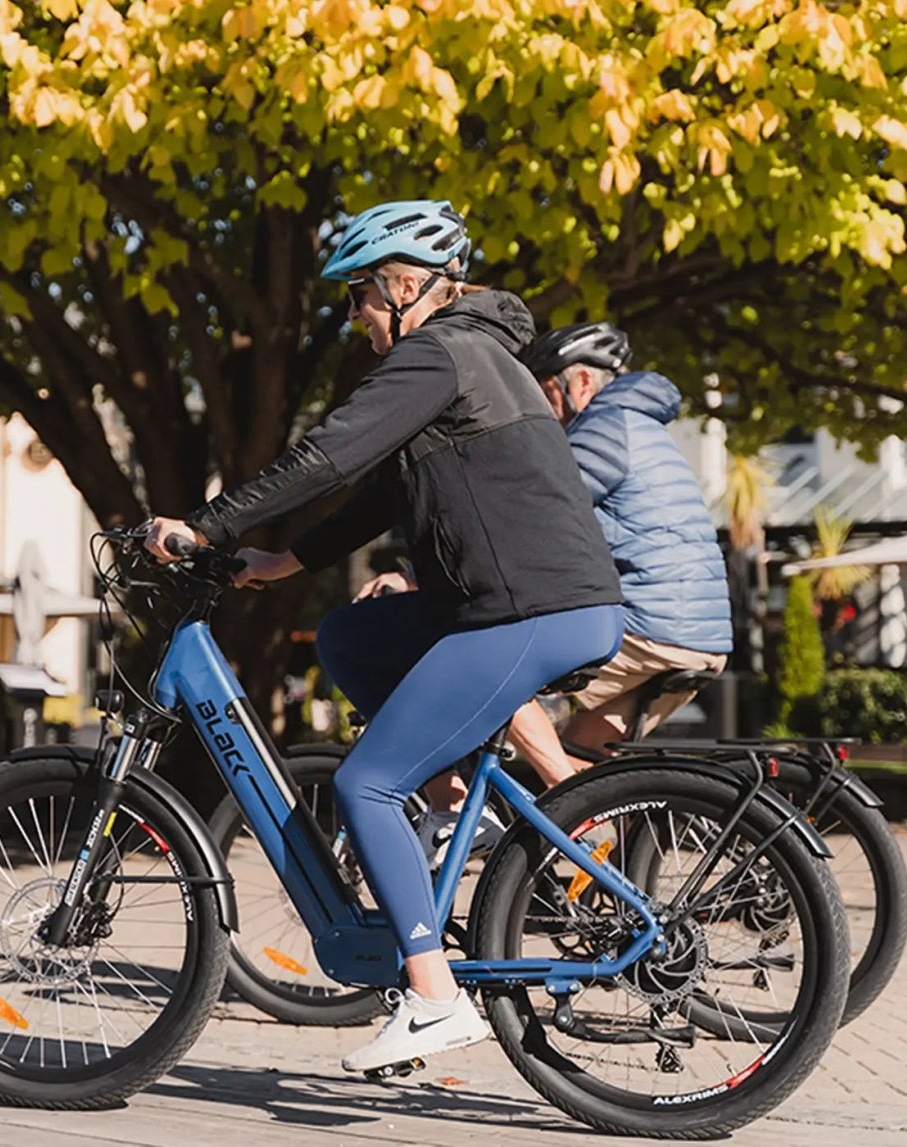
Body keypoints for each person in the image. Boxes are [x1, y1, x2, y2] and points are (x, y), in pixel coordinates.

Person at [142, 200, 624, 1075]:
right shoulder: (475, 354)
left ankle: (436, 999)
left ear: (406, 286)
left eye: (361, 295)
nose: (356, 314)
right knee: (353, 639)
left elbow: (326, 456)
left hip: (527, 610)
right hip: (504, 603)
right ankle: (449, 809)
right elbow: (380, 496)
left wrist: (206, 527)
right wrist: (286, 558)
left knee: (364, 782)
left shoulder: (437, 352)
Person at [400, 321, 734, 858]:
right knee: (581, 768)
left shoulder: (601, 429)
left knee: (492, 675)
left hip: (649, 626)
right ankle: (608, 897)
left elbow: (533, 520)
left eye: (543, 389)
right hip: (690, 632)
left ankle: (468, 817)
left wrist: (415, 578)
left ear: (579, 383)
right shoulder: (639, 427)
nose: (536, 407)